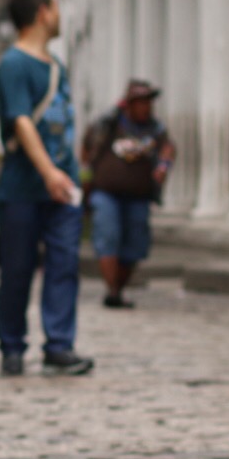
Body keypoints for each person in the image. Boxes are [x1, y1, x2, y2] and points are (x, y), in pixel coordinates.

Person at [0, 0, 94, 378]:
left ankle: (59, 345)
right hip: (23, 187)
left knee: (65, 265)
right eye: (55, 7)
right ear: (42, 13)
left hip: (64, 187)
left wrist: (66, 174)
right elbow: (20, 119)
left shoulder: (56, 66)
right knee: (17, 269)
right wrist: (48, 171)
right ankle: (12, 345)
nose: (59, 14)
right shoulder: (14, 64)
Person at [82, 79, 175, 309]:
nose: (146, 107)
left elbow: (168, 148)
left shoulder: (155, 129)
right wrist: (85, 181)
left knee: (135, 245)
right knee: (108, 237)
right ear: (129, 104)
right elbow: (87, 148)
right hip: (106, 193)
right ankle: (112, 290)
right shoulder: (109, 124)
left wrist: (163, 167)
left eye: (149, 102)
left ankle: (119, 289)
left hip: (138, 196)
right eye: (141, 102)